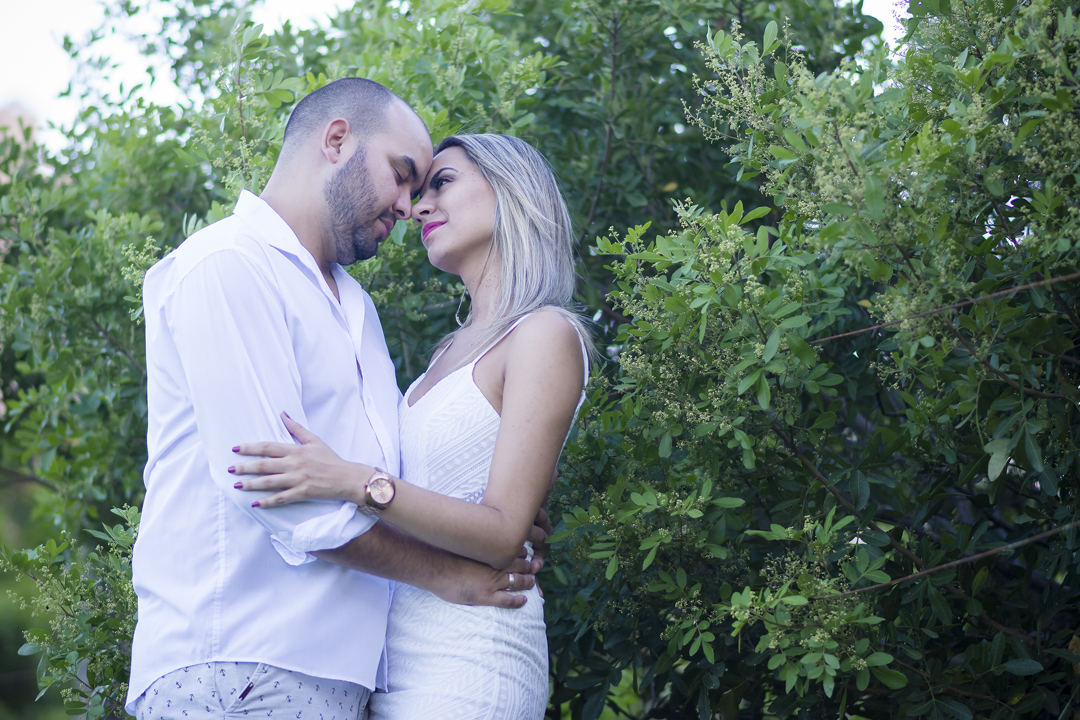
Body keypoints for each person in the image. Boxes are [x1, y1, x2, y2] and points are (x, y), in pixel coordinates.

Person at [126, 80, 542, 720]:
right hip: (240, 666)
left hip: (344, 678)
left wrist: (493, 523)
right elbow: (275, 494)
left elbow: (377, 476)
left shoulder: (357, 309)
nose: (409, 206)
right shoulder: (227, 264)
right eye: (402, 177)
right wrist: (451, 573)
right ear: (338, 140)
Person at [230, 133, 592, 719]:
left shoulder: (545, 333)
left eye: (441, 184)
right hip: (391, 659)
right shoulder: (445, 355)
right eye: (416, 191)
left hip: (472, 657)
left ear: (510, 193)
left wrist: (355, 482)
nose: (418, 206)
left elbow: (502, 533)